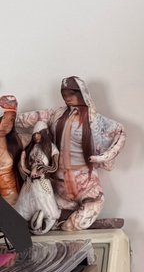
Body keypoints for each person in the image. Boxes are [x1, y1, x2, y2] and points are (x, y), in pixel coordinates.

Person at [17, 77, 126, 231]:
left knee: (95, 202)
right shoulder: (56, 114)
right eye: (64, 93)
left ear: (82, 93)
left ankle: (66, 223)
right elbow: (30, 118)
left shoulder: (94, 119)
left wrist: (104, 156)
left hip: (85, 180)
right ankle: (57, 220)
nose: (67, 97)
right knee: (43, 207)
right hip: (58, 182)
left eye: (72, 92)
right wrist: (9, 116)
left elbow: (119, 132)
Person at [15, 122, 60, 234]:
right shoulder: (30, 148)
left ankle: (39, 224)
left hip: (43, 181)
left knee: (46, 205)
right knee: (25, 206)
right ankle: (31, 224)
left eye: (38, 134)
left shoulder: (51, 148)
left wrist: (42, 169)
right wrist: (27, 170)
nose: (36, 136)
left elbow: (54, 167)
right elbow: (24, 165)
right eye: (34, 134)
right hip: (30, 182)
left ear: (44, 133)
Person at [0, 96, 23, 205]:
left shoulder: (16, 142)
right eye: (3, 118)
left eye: (11, 120)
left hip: (13, 199)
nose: (6, 124)